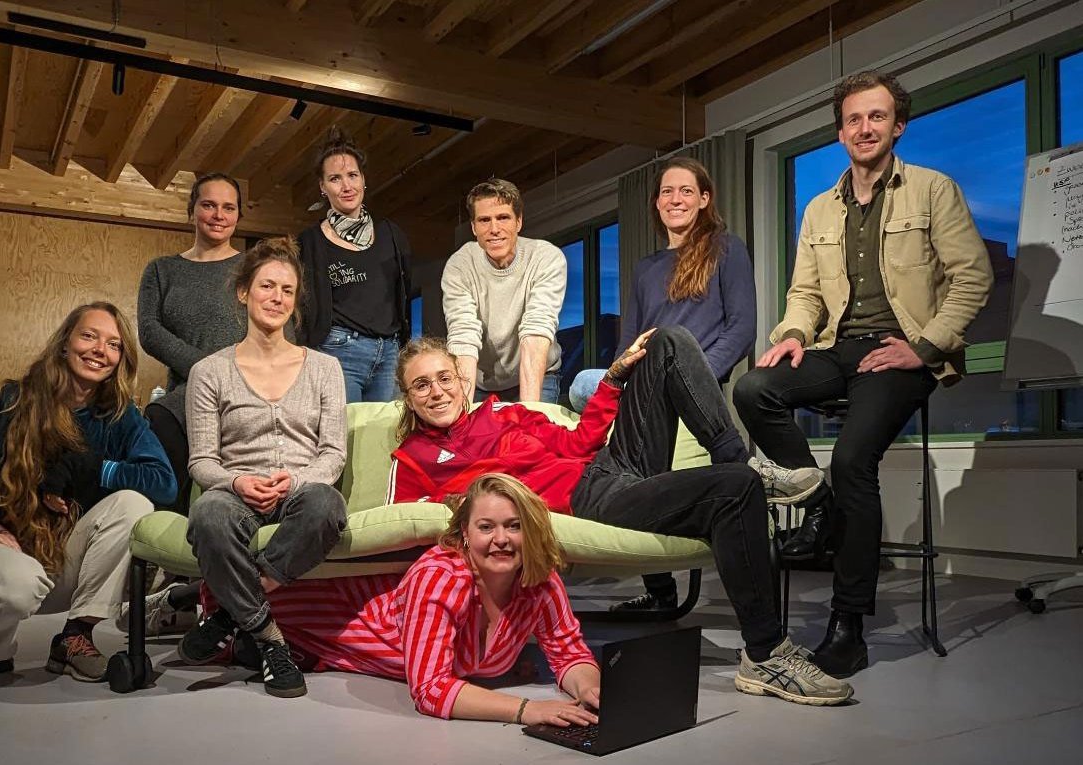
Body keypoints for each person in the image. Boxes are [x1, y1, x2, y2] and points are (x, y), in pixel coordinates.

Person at [385, 334, 853, 706]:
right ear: (408, 398)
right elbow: (413, 527)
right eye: (421, 385)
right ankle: (766, 654)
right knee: (734, 488)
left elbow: (578, 444)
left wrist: (612, 377)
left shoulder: (505, 416)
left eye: (443, 377)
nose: (436, 391)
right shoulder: (414, 460)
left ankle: (740, 460)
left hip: (607, 467)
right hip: (591, 499)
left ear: (461, 381)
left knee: (666, 344)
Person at [733, 71, 993, 679]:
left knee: (853, 460)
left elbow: (973, 277)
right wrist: (793, 335)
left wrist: (923, 347)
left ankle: (848, 625)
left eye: (876, 117)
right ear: (840, 131)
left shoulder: (933, 189)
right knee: (754, 388)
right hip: (836, 347)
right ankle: (817, 503)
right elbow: (804, 294)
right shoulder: (820, 208)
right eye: (853, 119)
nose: (864, 128)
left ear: (897, 126)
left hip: (901, 351)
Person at [0, 303, 177, 683]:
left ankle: (75, 636)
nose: (101, 350)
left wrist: (95, 468)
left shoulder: (116, 416)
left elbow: (164, 483)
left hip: (57, 559)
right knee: (16, 586)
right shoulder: (8, 402)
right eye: (89, 336)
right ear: (64, 343)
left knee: (134, 502)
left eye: (114, 344)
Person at [567, 156, 758, 612]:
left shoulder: (726, 250)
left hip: (693, 375)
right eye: (667, 192)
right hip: (643, 382)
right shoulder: (646, 268)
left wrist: (692, 378)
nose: (676, 199)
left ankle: (731, 459)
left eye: (686, 191)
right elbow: (627, 344)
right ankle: (658, 590)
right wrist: (622, 383)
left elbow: (742, 329)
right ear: (656, 203)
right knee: (580, 383)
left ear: (704, 199)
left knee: (671, 351)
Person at [257, 473, 602, 725]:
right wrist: (527, 710)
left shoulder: (540, 581)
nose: (501, 539)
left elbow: (568, 652)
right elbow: (430, 690)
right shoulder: (441, 577)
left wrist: (591, 690)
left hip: (336, 637)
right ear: (465, 534)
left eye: (514, 526)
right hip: (305, 612)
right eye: (486, 527)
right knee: (252, 626)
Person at [179, 236, 348, 699]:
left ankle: (229, 615)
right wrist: (236, 481)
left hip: (301, 488)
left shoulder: (324, 367)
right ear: (243, 292)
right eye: (267, 286)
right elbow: (202, 462)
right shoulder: (209, 371)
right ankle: (270, 641)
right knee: (209, 515)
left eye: (287, 291)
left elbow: (332, 454)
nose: (276, 298)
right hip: (236, 492)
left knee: (327, 507)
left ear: (295, 303)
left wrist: (296, 479)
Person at [137, 172, 247, 515]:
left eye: (228, 207)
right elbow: (150, 330)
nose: (219, 215)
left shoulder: (253, 268)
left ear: (238, 216)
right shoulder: (162, 270)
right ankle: (167, 557)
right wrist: (207, 370)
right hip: (186, 394)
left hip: (246, 389)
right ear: (192, 210)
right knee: (161, 441)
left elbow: (282, 330)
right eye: (209, 205)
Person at [297, 127, 413, 402]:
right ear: (323, 188)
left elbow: (403, 293)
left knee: (385, 438)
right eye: (335, 178)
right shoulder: (310, 242)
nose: (346, 186)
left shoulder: (391, 234)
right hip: (339, 352)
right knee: (345, 438)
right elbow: (302, 305)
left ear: (363, 180)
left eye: (352, 175)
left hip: (389, 354)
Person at [441, 178, 566, 404]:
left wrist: (528, 412)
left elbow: (536, 331)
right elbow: (463, 337)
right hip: (482, 382)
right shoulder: (459, 265)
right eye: (484, 220)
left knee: (532, 436)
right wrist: (462, 415)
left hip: (539, 375)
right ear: (473, 227)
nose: (494, 229)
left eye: (503, 218)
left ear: (518, 222)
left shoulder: (546, 258)